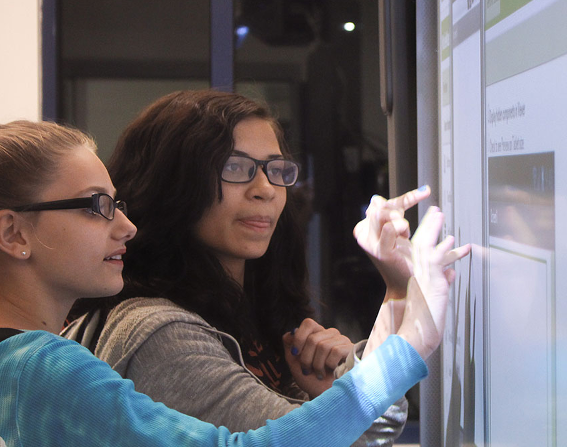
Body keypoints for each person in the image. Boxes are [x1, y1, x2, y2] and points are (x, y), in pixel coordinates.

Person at [0, 119, 463, 446]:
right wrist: (413, 340)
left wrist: (398, 296)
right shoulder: (43, 366)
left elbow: (356, 431)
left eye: (276, 169)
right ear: (13, 233)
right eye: (96, 205)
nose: (126, 227)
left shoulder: (31, 359)